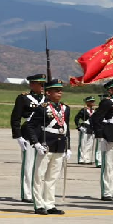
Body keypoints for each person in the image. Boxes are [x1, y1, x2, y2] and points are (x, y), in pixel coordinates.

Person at [26, 79, 71, 215]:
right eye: (56, 90)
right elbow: (29, 126)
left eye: (60, 90)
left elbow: (66, 128)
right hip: (46, 144)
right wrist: (36, 143)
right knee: (39, 176)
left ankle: (49, 204)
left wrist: (68, 147)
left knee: (52, 177)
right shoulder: (42, 108)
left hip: (59, 145)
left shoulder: (65, 108)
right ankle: (39, 204)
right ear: (48, 92)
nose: (59, 92)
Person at [9, 74, 47, 202]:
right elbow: (15, 118)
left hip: (44, 134)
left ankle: (38, 191)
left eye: (43, 84)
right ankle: (27, 194)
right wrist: (18, 136)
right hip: (28, 134)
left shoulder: (47, 98)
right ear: (32, 84)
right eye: (39, 84)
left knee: (41, 166)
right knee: (28, 165)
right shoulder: (24, 98)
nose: (42, 86)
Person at [92, 79, 113, 202]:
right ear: (110, 90)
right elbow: (96, 119)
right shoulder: (106, 102)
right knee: (108, 165)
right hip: (110, 135)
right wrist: (100, 135)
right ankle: (106, 192)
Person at [74, 96, 97, 165]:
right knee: (83, 144)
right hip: (85, 127)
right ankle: (81, 159)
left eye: (93, 101)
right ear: (87, 102)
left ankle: (88, 159)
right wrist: (79, 126)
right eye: (91, 101)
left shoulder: (94, 111)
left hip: (91, 128)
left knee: (90, 144)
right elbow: (76, 118)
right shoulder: (83, 110)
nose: (92, 103)